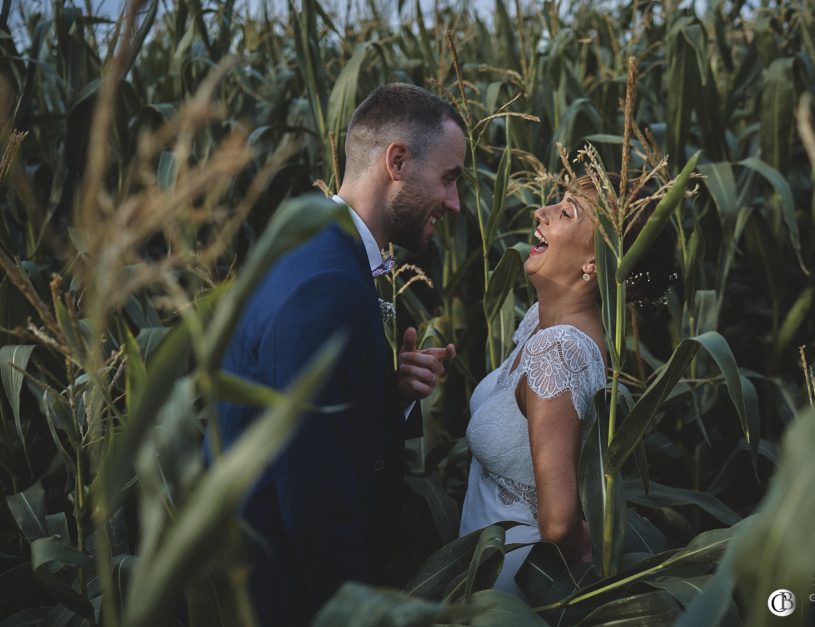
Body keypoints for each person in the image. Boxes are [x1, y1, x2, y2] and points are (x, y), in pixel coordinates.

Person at [210, 83, 466, 626]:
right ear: (397, 161)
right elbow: (313, 498)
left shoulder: (311, 245)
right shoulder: (326, 283)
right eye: (448, 178)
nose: (454, 202)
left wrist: (386, 388)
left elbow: (316, 420)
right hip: (282, 599)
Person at [458, 174, 674, 598]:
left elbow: (559, 526)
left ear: (595, 263)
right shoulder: (541, 322)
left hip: (505, 593)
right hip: (471, 574)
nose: (542, 212)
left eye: (566, 211)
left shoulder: (558, 352)